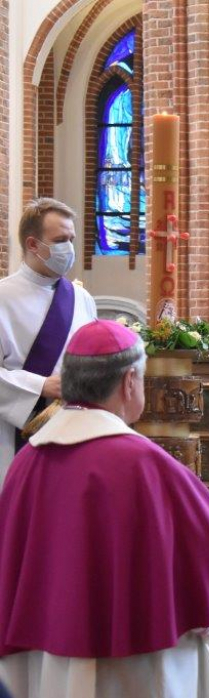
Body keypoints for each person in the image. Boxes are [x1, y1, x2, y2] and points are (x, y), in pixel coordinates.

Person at [0, 320, 209, 698]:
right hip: (136, 661)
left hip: (47, 658)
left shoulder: (27, 461)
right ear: (129, 382)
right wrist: (201, 610)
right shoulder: (145, 463)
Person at [0, 198, 96, 484]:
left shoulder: (82, 299)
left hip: (72, 428)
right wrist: (40, 385)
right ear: (33, 244)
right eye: (60, 240)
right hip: (12, 433)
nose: (69, 249)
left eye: (71, 240)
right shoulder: (3, 297)